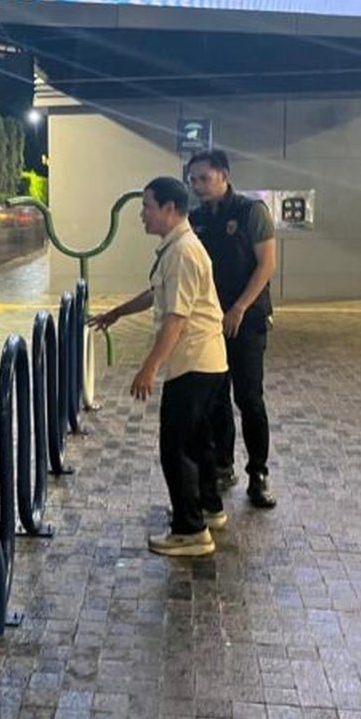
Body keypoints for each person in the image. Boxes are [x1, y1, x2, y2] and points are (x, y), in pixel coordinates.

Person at [89, 177, 228, 557]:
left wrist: (149, 367)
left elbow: (177, 318)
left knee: (176, 446)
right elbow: (157, 294)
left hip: (194, 363)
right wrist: (117, 313)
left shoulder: (183, 251)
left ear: (170, 209)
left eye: (148, 206)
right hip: (207, 362)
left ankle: (190, 530)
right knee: (199, 441)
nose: (142, 215)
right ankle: (208, 508)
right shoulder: (178, 248)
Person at [186, 150, 277, 509]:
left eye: (203, 178)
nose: (197, 186)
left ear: (223, 175)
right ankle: (223, 466)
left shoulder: (251, 212)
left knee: (249, 398)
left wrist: (239, 307)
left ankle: (259, 473)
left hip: (248, 320)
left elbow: (266, 265)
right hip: (210, 322)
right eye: (192, 180)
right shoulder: (196, 219)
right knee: (216, 399)